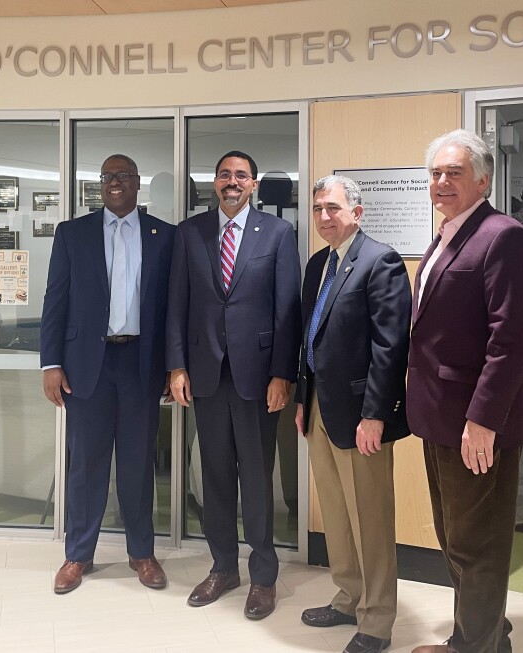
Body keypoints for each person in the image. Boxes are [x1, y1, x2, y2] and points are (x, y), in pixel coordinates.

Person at [408, 130, 523, 653]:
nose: (442, 182)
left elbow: (511, 340)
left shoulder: (502, 236)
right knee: (454, 537)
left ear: (483, 179)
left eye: (454, 173)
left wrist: (483, 419)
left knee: (476, 543)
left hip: (476, 424)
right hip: (440, 417)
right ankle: (487, 634)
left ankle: (473, 646)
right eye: (436, 173)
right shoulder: (446, 235)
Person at [167, 150, 301, 620]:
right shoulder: (191, 233)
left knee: (257, 480)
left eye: (240, 175)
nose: (231, 182)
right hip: (206, 375)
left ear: (254, 183)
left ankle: (263, 575)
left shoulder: (279, 233)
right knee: (216, 476)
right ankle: (223, 567)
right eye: (224, 174)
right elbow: (176, 305)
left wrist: (283, 374)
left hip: (258, 377)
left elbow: (289, 312)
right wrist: (177, 366)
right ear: (215, 182)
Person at [40, 154, 175, 594]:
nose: (115, 183)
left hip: (141, 364)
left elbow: (175, 310)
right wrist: (51, 363)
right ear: (100, 185)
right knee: (85, 465)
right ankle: (78, 555)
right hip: (85, 368)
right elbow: (54, 301)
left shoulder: (164, 237)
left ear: (138, 183)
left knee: (138, 465)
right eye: (107, 177)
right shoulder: (72, 234)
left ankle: (142, 553)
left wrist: (175, 366)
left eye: (123, 176)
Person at [295, 176, 411, 653]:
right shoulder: (318, 263)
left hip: (362, 413)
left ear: (357, 213)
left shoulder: (379, 261)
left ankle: (377, 621)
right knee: (337, 513)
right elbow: (310, 336)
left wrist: (376, 414)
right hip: (321, 403)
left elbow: (391, 346)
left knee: (371, 517)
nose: (325, 217)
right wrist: (304, 398)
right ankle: (348, 597)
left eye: (334, 208)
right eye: (318, 208)